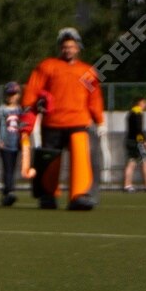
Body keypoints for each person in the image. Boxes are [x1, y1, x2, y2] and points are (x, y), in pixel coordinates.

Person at [21, 28, 104, 211]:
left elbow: (94, 98)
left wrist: (99, 119)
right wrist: (28, 108)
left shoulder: (87, 71)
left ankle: (80, 195)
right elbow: (33, 90)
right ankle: (47, 195)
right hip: (53, 122)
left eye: (72, 47)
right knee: (50, 162)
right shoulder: (47, 66)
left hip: (79, 123)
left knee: (81, 161)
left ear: (78, 48)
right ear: (60, 48)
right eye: (65, 47)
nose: (68, 50)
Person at [0, 81, 24, 207]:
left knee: (13, 168)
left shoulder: (21, 110)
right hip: (4, 143)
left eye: (14, 94)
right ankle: (9, 191)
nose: (11, 96)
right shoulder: (0, 110)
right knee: (7, 168)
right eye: (9, 94)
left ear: (18, 95)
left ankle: (8, 191)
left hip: (17, 143)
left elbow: (25, 126)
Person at [123, 96, 146, 192]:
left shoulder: (131, 112)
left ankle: (127, 186)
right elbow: (138, 129)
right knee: (145, 162)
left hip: (130, 140)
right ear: (139, 103)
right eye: (144, 102)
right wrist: (144, 140)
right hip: (137, 141)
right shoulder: (138, 112)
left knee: (132, 162)